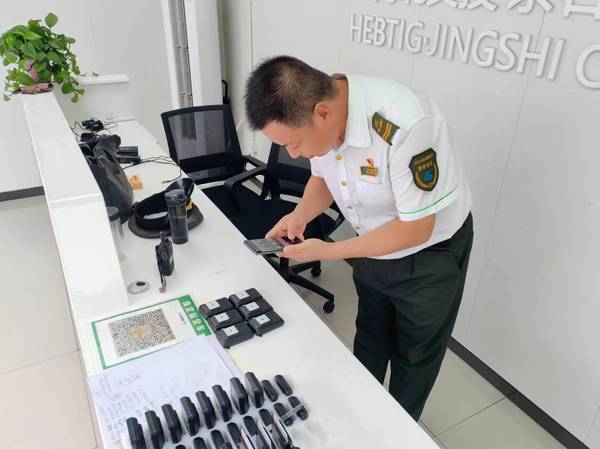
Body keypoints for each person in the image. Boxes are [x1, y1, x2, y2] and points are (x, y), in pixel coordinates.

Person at [244, 55, 473, 420]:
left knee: (415, 356)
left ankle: (397, 430)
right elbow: (323, 177)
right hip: (371, 243)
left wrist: (330, 252)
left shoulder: (406, 124)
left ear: (321, 113)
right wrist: (299, 215)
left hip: (429, 255)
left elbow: (416, 228)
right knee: (370, 335)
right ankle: (362, 418)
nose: (293, 154)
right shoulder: (323, 115)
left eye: (294, 144)